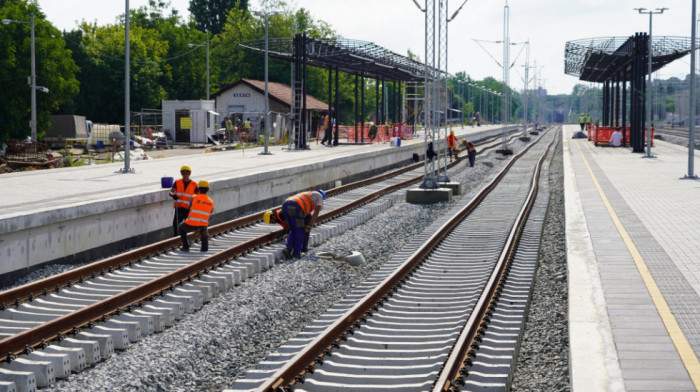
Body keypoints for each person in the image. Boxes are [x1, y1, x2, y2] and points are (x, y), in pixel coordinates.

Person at [264, 189, 326, 259]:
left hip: (285, 205)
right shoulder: (319, 196)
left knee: (293, 229)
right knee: (300, 230)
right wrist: (309, 226)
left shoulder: (308, 193)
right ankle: (296, 253)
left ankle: (288, 249)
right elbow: (316, 213)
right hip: (296, 207)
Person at [179, 180, 213, 252]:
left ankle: (186, 246)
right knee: (204, 230)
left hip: (191, 223)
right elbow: (210, 212)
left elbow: (190, 208)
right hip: (202, 224)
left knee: (181, 227)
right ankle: (204, 248)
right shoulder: (210, 201)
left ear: (198, 189)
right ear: (208, 190)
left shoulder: (193, 197)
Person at [169, 165, 198, 237]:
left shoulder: (194, 184)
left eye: (186, 173)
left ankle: (189, 237)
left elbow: (197, 196)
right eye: (183, 173)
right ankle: (176, 236)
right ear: (181, 173)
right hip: (179, 207)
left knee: (189, 224)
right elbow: (171, 192)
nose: (185, 175)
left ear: (189, 174)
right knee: (176, 223)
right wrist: (173, 195)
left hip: (188, 208)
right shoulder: (177, 182)